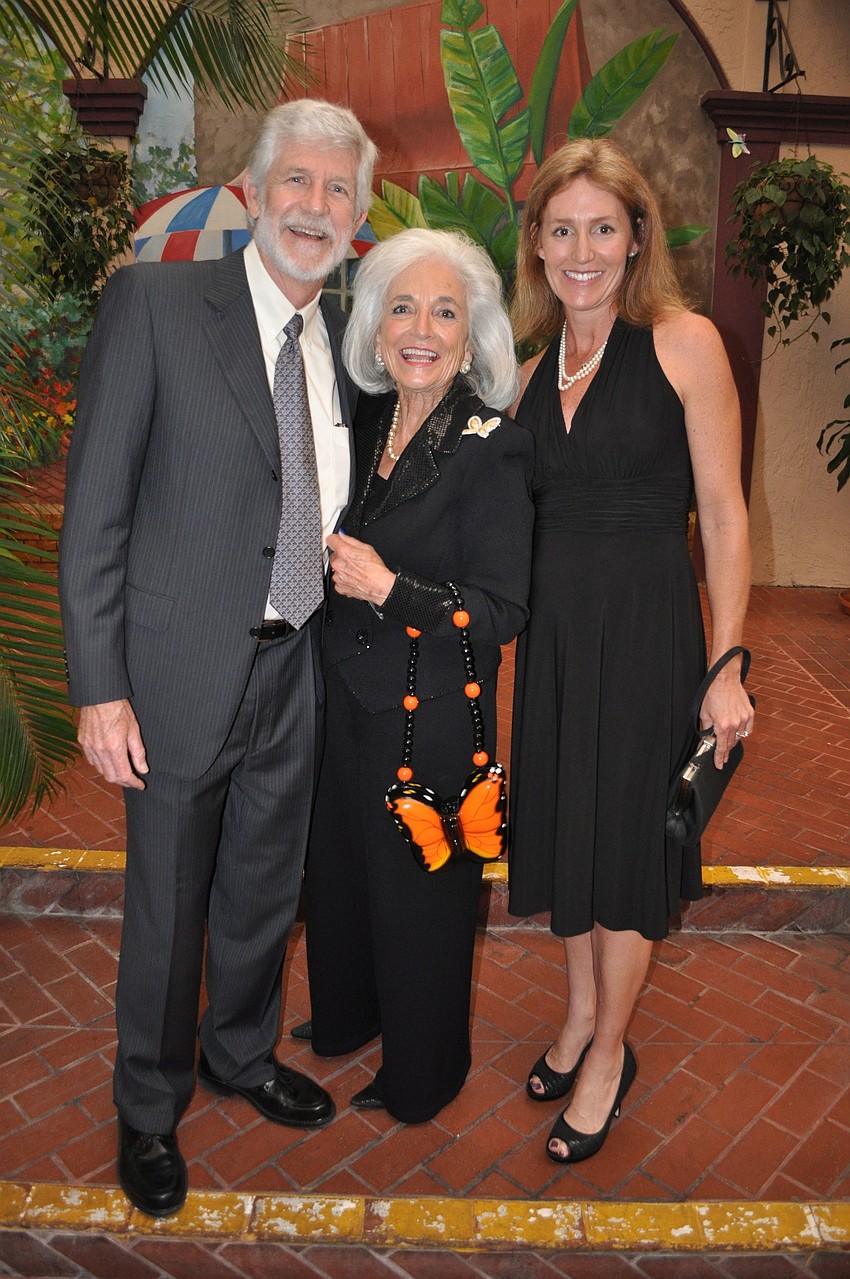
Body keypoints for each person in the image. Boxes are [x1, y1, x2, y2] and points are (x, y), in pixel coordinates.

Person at [58, 99, 378, 1217]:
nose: (316, 206)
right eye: (297, 181)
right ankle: (148, 1106)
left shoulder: (347, 342)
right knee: (168, 901)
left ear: (360, 213)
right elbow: (93, 514)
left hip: (295, 665)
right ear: (251, 192)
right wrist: (99, 687)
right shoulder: (154, 304)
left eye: (339, 189)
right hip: (178, 668)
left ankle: (238, 1053)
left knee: (257, 887)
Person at [507, 138, 754, 1164]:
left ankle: (610, 1049)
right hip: (557, 641)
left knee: (627, 844)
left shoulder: (685, 342)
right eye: (560, 229)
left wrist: (727, 662)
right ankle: (574, 1015)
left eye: (600, 228)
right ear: (536, 246)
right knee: (567, 831)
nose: (580, 249)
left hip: (648, 629)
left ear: (635, 238)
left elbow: (727, 515)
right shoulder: (525, 369)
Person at [293, 228, 534, 1123]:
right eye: (401, 306)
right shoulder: (357, 421)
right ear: (377, 327)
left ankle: (424, 1070)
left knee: (421, 898)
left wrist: (392, 588)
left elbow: (503, 608)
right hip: (343, 696)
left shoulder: (490, 445)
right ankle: (350, 1017)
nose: (420, 328)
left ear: (470, 338)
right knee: (346, 876)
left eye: (443, 311)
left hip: (429, 714)